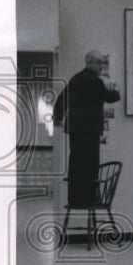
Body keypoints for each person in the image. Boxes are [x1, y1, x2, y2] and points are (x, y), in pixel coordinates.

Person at [52, 50, 120, 207]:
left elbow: (62, 99)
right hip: (90, 130)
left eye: (102, 63)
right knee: (90, 165)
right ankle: (89, 199)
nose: (101, 66)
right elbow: (111, 98)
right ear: (91, 63)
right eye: (99, 63)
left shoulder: (76, 79)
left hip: (75, 129)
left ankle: (75, 199)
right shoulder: (94, 81)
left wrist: (58, 117)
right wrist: (114, 88)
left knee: (76, 163)